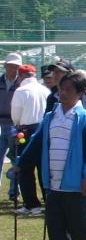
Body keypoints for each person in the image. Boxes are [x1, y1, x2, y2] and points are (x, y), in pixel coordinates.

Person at [13, 70, 86, 240]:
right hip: (52, 181)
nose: (63, 93)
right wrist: (20, 163)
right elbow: (35, 142)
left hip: (76, 183)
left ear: (80, 93)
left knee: (78, 223)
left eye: (69, 89)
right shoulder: (50, 116)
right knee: (55, 223)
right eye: (61, 88)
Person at [10, 63, 50, 214]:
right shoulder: (45, 90)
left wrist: (18, 125)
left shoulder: (20, 91)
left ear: (20, 76)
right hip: (43, 130)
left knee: (25, 168)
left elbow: (16, 115)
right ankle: (48, 201)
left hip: (26, 131)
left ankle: (31, 203)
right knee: (43, 167)